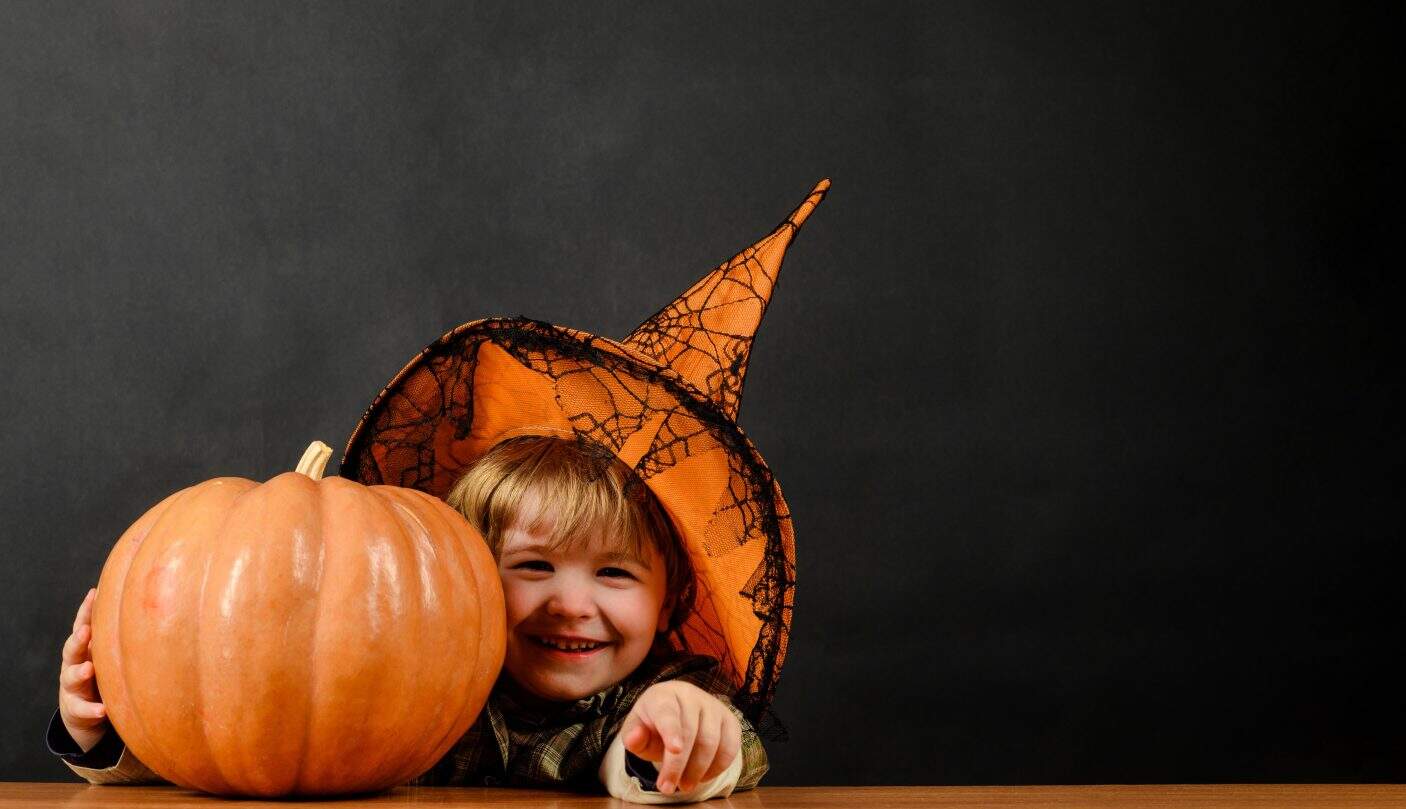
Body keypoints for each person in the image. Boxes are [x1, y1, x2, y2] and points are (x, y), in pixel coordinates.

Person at [48, 178, 829, 800]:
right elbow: (239, 740)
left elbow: (724, 756)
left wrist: (688, 735)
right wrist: (108, 735)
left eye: (614, 572)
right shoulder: (400, 673)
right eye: (531, 566)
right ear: (467, 580)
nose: (571, 602)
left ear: (669, 602)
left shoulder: (662, 693)